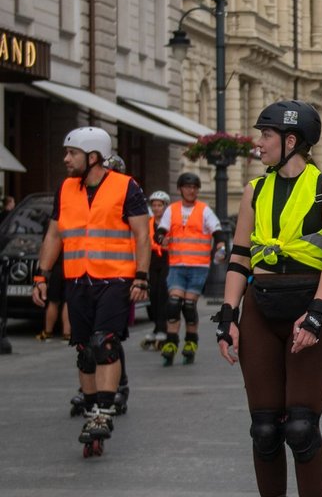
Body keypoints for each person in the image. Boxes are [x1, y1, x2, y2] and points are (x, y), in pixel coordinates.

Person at [214, 99, 322, 497]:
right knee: (265, 429)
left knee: (301, 427)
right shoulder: (255, 190)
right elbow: (239, 256)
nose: (259, 143)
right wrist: (228, 315)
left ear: (291, 140)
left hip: (308, 308)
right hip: (261, 310)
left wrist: (317, 313)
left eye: (266, 134)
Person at [32, 127, 150, 456]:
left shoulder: (126, 186)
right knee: (84, 349)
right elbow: (54, 235)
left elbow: (142, 234)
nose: (66, 159)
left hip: (115, 279)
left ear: (94, 157)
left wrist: (141, 278)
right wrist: (41, 276)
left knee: (104, 343)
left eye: (72, 153)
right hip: (77, 279)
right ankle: (90, 410)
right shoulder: (66, 189)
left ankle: (104, 413)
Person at [156, 173, 225, 365]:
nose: (191, 190)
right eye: (187, 187)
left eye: (194, 187)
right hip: (177, 266)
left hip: (198, 267)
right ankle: (171, 343)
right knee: (173, 304)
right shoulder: (172, 210)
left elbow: (218, 232)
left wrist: (220, 246)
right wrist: (162, 239)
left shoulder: (204, 210)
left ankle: (191, 342)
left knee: (188, 305)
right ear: (180, 189)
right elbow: (160, 231)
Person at [141, 190, 171, 351]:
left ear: (165, 206)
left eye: (159, 205)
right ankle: (157, 326)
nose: (156, 208)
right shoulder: (148, 222)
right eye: (154, 205)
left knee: (162, 294)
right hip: (152, 260)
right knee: (152, 295)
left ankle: (162, 328)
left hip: (167, 259)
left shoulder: (169, 223)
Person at [35, 252, 71, 342]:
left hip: (56, 267)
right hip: (71, 267)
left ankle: (48, 332)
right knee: (68, 301)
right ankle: (67, 334)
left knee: (53, 302)